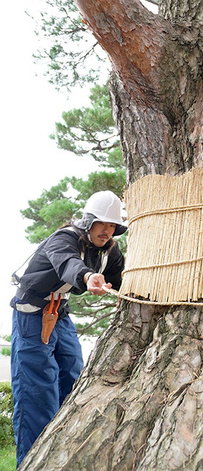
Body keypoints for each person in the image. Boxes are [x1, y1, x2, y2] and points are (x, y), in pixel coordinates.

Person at [10, 190, 126, 467]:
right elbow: (67, 263)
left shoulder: (109, 250)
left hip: (59, 315)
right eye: (102, 223)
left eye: (112, 225)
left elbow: (123, 278)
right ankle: (31, 463)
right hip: (32, 316)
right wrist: (88, 276)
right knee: (37, 391)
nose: (108, 230)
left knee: (74, 378)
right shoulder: (63, 239)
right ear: (88, 221)